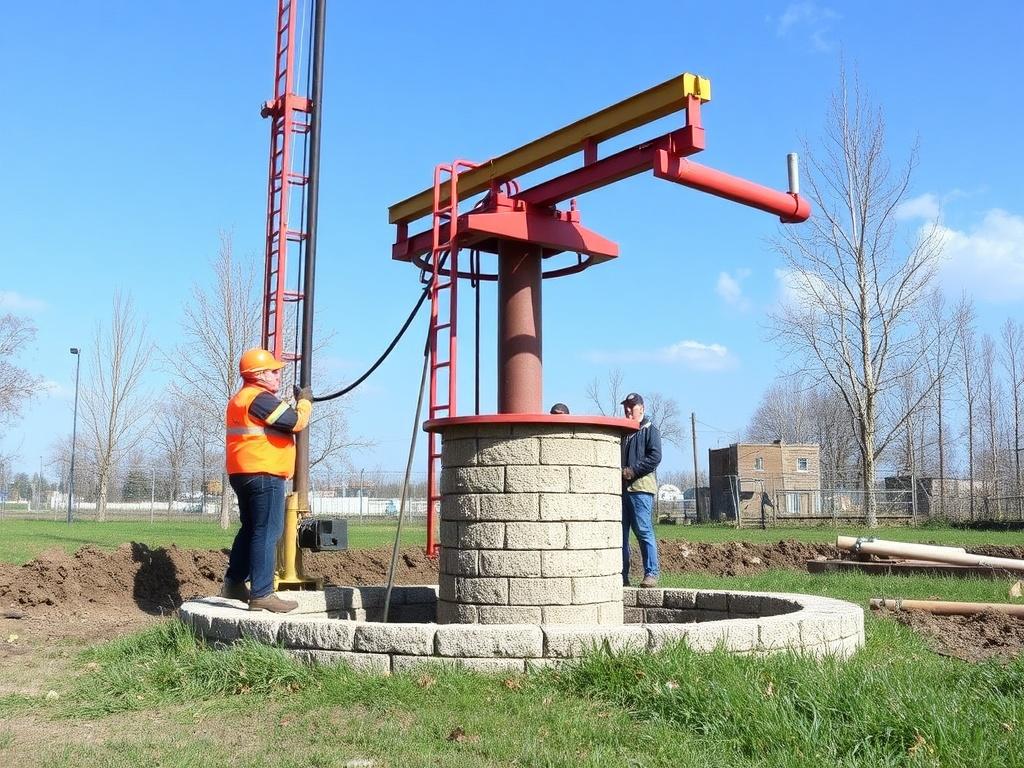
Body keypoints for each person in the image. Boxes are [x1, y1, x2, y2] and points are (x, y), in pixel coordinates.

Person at [222, 348, 312, 613]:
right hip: (264, 474)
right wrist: (304, 402)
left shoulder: (240, 398)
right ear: (258, 375)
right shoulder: (259, 398)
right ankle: (262, 593)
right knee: (268, 530)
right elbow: (294, 421)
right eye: (273, 371)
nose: (277, 376)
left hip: (243, 473)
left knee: (250, 528)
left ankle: (234, 583)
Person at [620, 392, 662, 587]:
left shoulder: (650, 430)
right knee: (621, 534)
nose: (628, 410)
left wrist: (633, 471)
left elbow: (655, 457)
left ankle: (651, 573)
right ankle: (622, 576)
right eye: (626, 407)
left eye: (632, 406)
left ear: (642, 409)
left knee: (644, 531)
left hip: (641, 489)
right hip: (622, 491)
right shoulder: (624, 432)